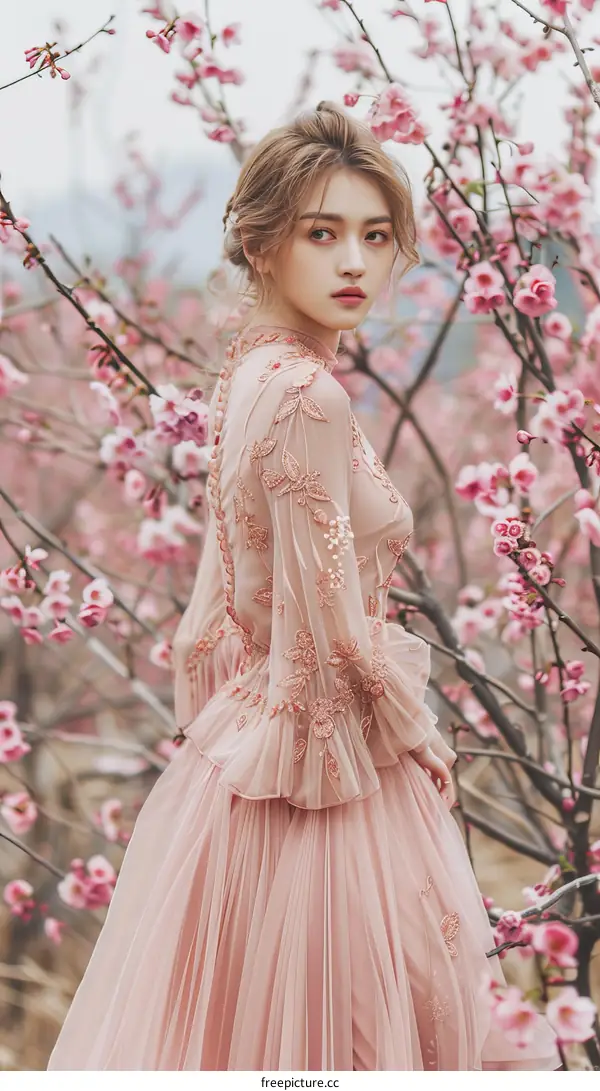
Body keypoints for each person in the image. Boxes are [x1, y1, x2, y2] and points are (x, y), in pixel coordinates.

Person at [47, 102, 561, 1071]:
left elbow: (207, 623)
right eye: (322, 233)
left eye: (375, 236)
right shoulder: (309, 393)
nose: (355, 263)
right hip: (326, 766)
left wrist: (219, 747)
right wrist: (416, 743)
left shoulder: (248, 370)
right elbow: (325, 633)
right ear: (262, 242)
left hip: (246, 753)